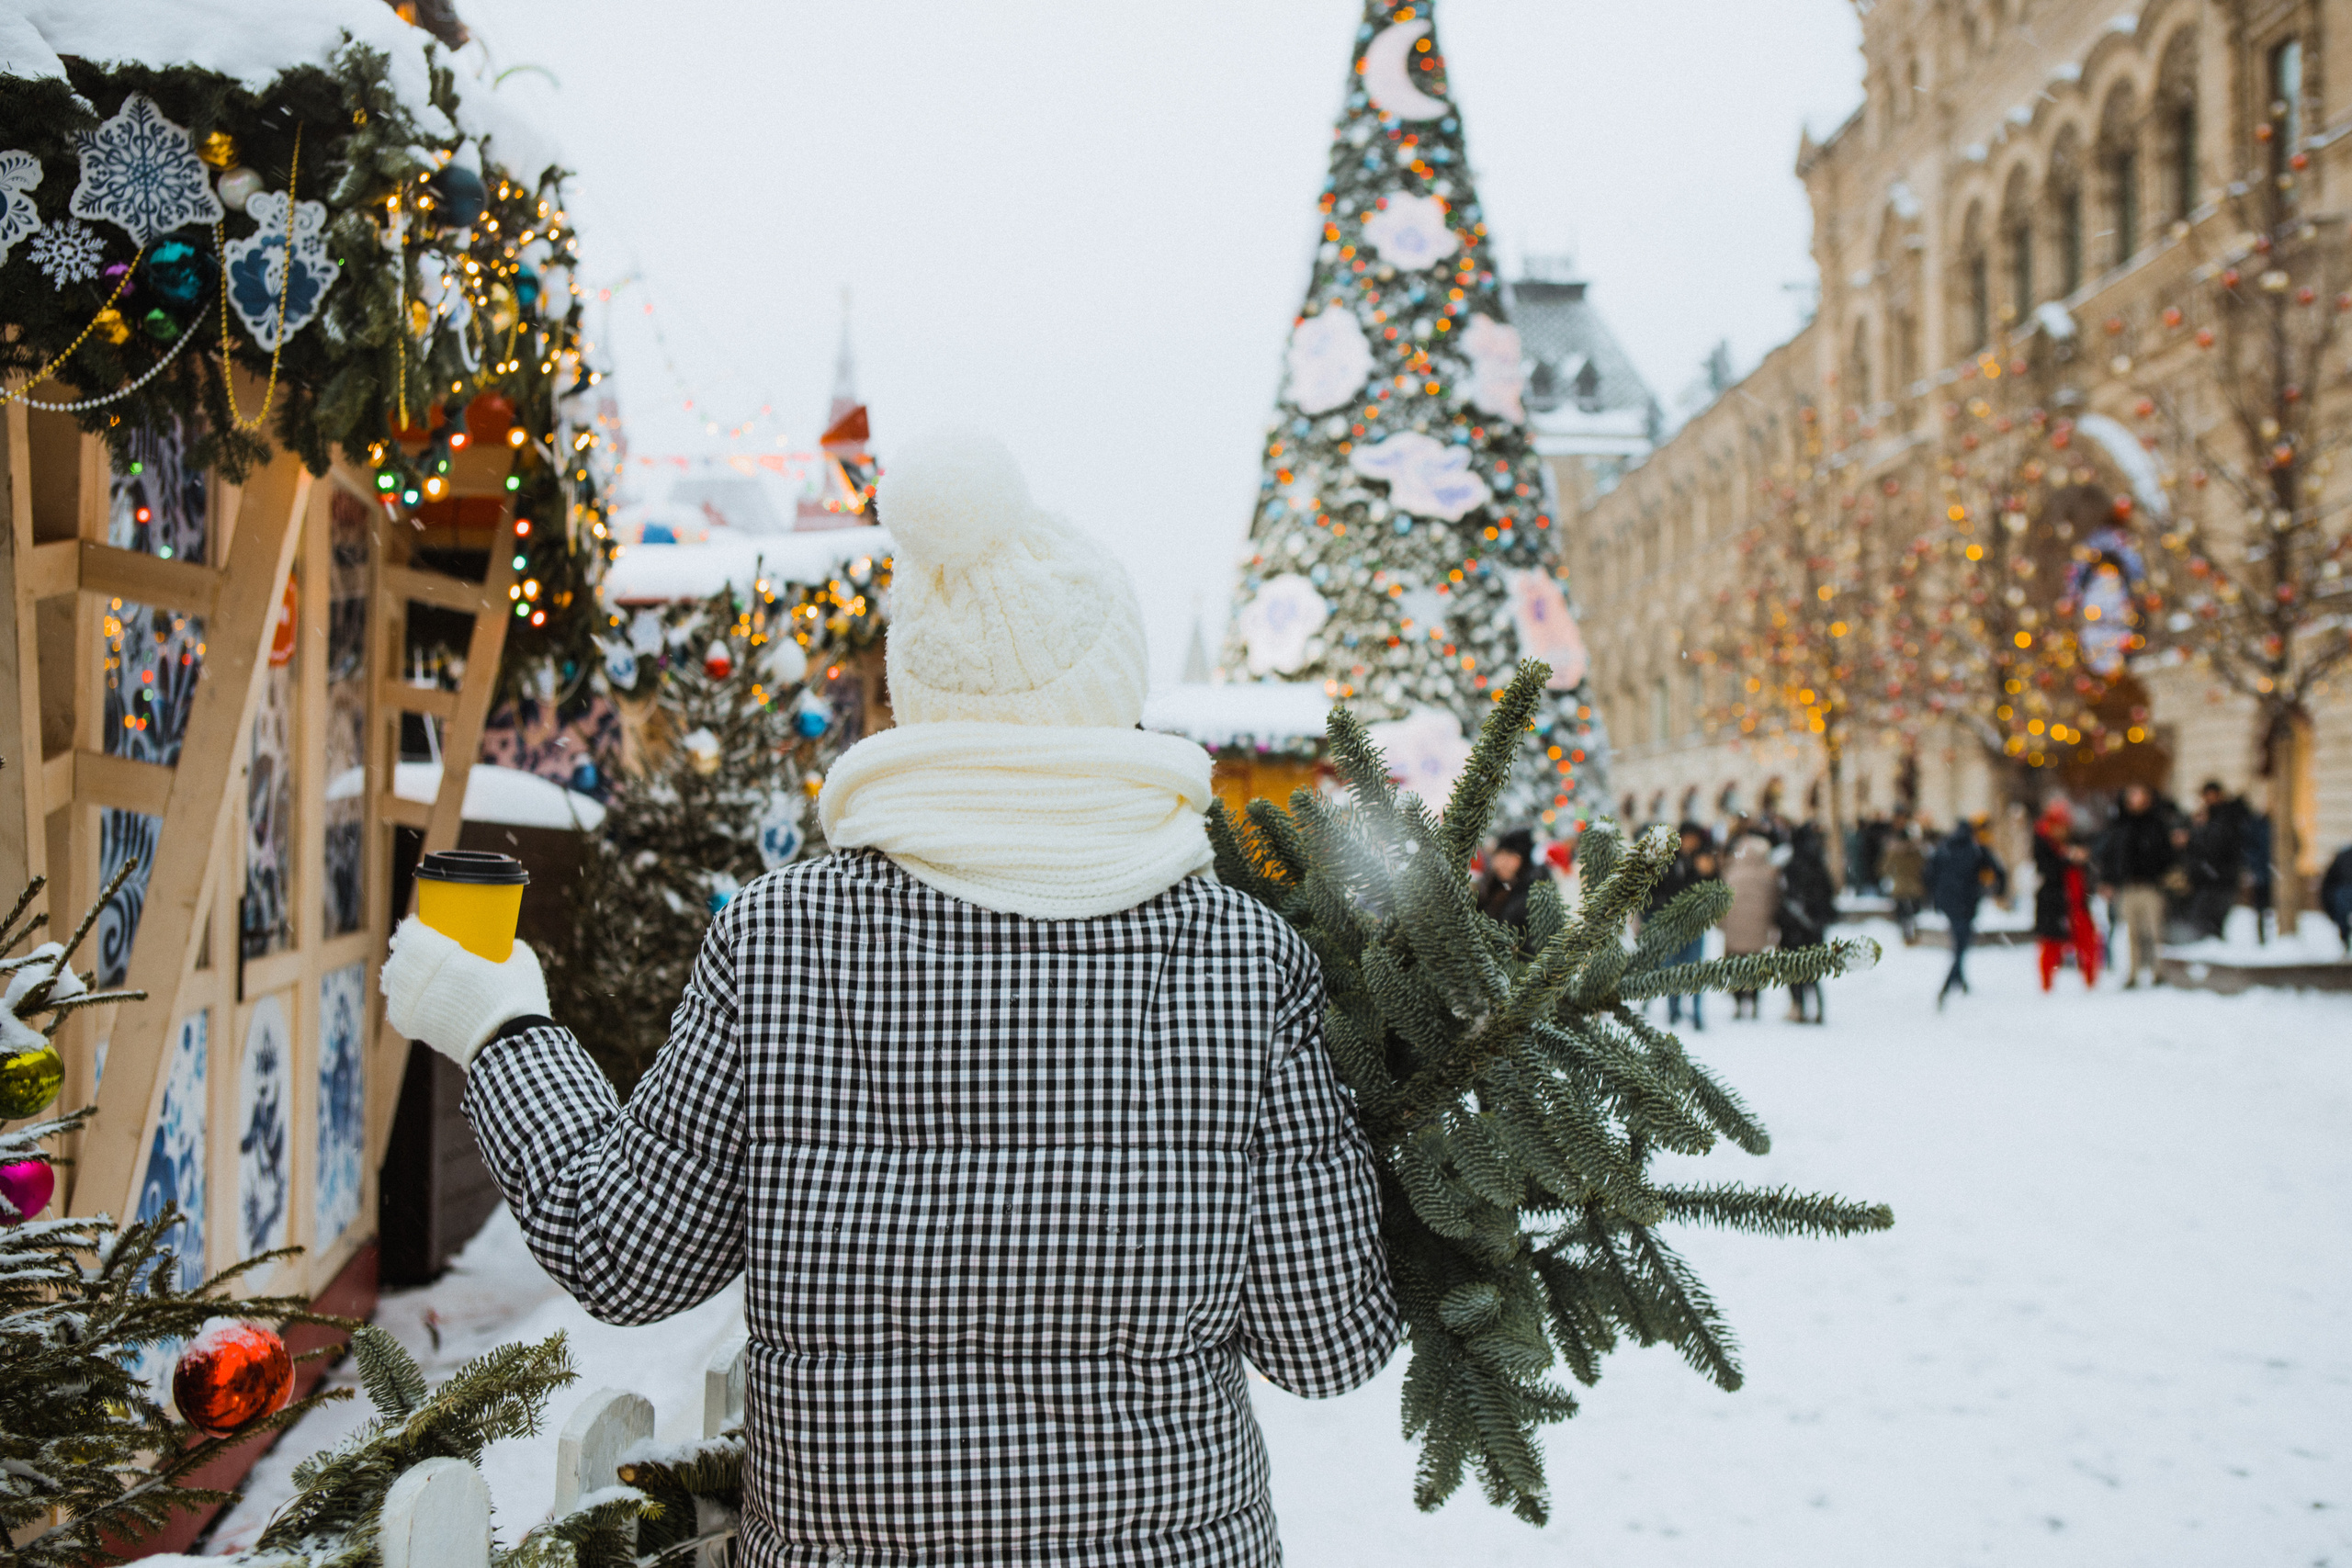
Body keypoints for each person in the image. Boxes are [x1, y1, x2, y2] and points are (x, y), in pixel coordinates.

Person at [379, 431, 1399, 1568]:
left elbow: (627, 1250)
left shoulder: (783, 939)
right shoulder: (1241, 962)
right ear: (1116, 694)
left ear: (919, 691)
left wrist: (501, 1027)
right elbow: (1323, 1345)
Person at [2100, 783, 2177, 987]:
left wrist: (2163, 875)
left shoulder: (2157, 825)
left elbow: (2166, 855)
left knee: (2154, 932)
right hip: (2128, 887)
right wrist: (2109, 880)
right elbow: (2111, 856)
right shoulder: (2120, 826)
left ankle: (2158, 971)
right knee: (2131, 933)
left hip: (2151, 887)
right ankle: (2133, 972)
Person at [1644, 822, 1717, 1030]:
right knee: (1672, 967)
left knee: (1695, 968)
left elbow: (1715, 890)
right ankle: (1673, 1010)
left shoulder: (1703, 860)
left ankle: (1696, 1012)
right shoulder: (1668, 861)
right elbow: (1655, 891)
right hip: (1671, 923)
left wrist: (1709, 873)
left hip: (1695, 924)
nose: (1690, 843)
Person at [1928, 817, 2007, 1008]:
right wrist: (1999, 891)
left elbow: (1929, 874)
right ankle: (1948, 984)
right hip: (1966, 903)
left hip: (1949, 903)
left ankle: (1959, 981)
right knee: (1961, 943)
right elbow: (1999, 871)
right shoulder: (1976, 849)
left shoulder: (1944, 848)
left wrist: (1935, 897)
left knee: (1960, 940)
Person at [2030, 799, 2100, 991]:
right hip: (2054, 904)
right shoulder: (2043, 844)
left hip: (2077, 902)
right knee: (2051, 944)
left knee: (2088, 942)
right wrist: (2067, 858)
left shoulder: (2074, 841)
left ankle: (2091, 982)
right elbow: (2047, 869)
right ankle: (2047, 985)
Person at [1777, 822, 1837, 1023]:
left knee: (1794, 968)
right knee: (1812, 969)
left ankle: (1799, 1007)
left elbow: (1786, 894)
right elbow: (1828, 892)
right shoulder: (1817, 862)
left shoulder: (1792, 865)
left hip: (1795, 924)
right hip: (1813, 924)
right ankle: (1818, 1008)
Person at [1720, 829, 1781, 1020]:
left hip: (1734, 931)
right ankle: (1754, 999)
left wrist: (1722, 924)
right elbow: (1774, 902)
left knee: (1735, 966)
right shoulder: (1767, 875)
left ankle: (1738, 1001)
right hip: (1758, 931)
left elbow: (1721, 902)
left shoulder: (1732, 873)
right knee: (1755, 967)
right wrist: (1772, 923)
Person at [1476, 827, 1547, 931]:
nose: (1501, 862)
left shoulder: (1532, 897)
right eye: (1500, 854)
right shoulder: (1495, 886)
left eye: (1510, 855)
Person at [1882, 810, 1928, 944]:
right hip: (1915, 887)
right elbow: (1924, 867)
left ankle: (1906, 936)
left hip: (1899, 886)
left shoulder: (1893, 852)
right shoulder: (1917, 852)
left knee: (1902, 914)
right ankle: (1915, 935)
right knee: (1915, 913)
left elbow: (1885, 868)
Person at [2322, 842, 2352, 953]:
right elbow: (2328, 884)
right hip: (2342, 899)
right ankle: (2345, 942)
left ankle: (2345, 941)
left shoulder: (2343, 856)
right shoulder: (2344, 856)